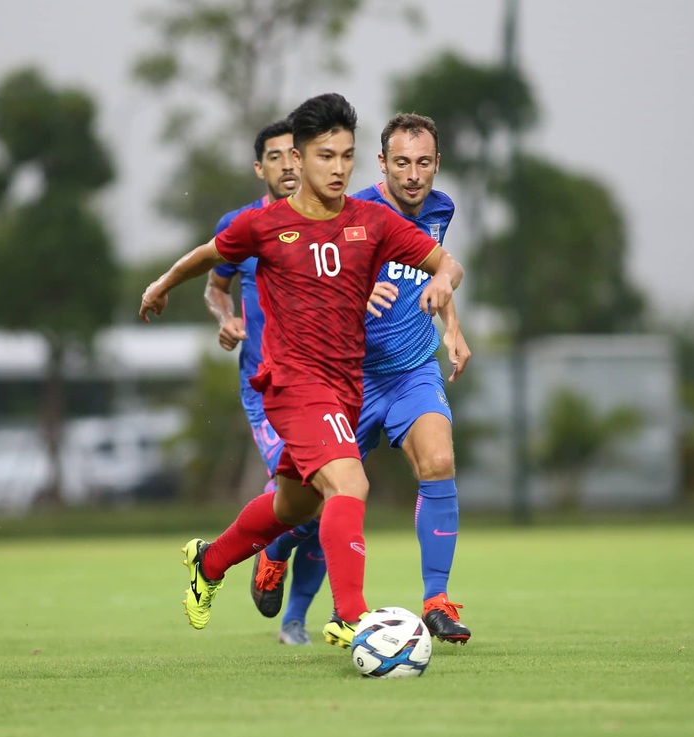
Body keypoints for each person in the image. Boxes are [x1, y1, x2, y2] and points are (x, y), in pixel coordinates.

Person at [138, 92, 464, 648]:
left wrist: (443, 287)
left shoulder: (372, 222)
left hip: (346, 390)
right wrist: (162, 285)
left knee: (294, 507)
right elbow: (209, 255)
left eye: (345, 156)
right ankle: (353, 618)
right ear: (299, 159)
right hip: (293, 385)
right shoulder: (265, 226)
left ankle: (209, 562)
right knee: (350, 483)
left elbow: (443, 260)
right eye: (324, 156)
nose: (337, 168)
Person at [250, 113, 473, 644]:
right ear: (382, 164)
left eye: (423, 163)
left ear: (437, 164)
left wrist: (454, 327)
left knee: (439, 459)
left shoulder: (441, 210)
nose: (414, 175)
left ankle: (437, 602)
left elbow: (443, 269)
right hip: (343, 377)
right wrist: (352, 293)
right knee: (308, 506)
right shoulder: (350, 212)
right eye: (402, 163)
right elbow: (303, 274)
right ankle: (275, 549)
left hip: (412, 370)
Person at [202, 119, 326, 646]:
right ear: (261, 168)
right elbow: (214, 286)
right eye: (275, 157)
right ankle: (270, 553)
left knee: (330, 503)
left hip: (328, 383)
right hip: (266, 390)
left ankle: (294, 618)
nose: (287, 165)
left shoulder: (332, 220)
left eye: (294, 155)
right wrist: (224, 318)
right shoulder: (243, 225)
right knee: (317, 494)